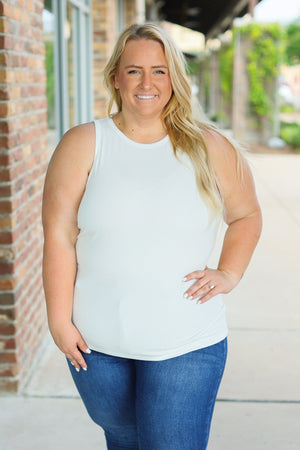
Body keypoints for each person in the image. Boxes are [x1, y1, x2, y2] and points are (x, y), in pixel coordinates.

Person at [42, 23, 262, 450]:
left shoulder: (209, 146)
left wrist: (229, 272)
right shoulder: (83, 144)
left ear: (175, 78)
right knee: (123, 439)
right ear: (115, 78)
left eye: (160, 71)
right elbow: (58, 236)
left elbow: (247, 215)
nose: (147, 83)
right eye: (134, 71)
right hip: (96, 343)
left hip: (186, 343)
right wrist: (58, 321)